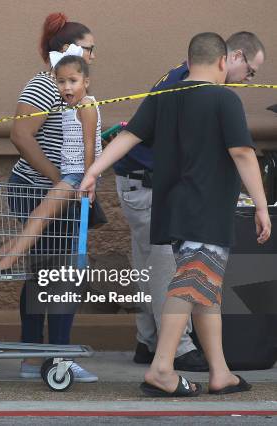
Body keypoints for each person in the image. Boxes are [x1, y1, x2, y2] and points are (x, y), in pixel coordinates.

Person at [80, 32, 271, 396]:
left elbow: (128, 136)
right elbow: (243, 153)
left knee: (205, 289)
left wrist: (93, 171)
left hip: (173, 208)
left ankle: (220, 371)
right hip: (207, 209)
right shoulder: (224, 99)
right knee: (191, 285)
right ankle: (163, 368)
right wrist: (261, 205)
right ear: (221, 61)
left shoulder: (165, 95)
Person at [7, 12, 97, 382]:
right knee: (59, 276)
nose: (93, 56)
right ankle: (54, 357)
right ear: (67, 49)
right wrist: (60, 180)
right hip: (38, 190)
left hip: (61, 192)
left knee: (51, 275)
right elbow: (21, 135)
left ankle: (37, 355)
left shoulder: (71, 87)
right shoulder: (46, 86)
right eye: (89, 49)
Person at [0, 54, 101, 273]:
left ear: (86, 82)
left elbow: (89, 145)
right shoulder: (68, 107)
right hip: (68, 175)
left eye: (73, 81)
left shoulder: (87, 106)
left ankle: (3, 265)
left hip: (77, 177)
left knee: (38, 217)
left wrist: (88, 182)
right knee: (35, 224)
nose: (66, 87)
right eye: (61, 82)